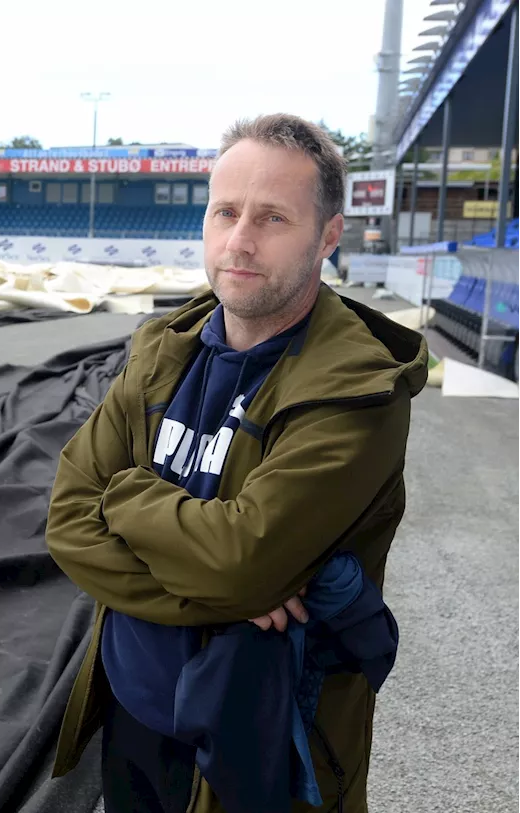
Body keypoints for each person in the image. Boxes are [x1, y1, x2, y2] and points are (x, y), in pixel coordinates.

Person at [45, 113, 428, 813]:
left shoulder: (357, 388)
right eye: (226, 212)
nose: (240, 241)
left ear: (328, 235)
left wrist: (127, 498)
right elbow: (68, 521)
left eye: (274, 217)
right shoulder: (165, 348)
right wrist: (233, 595)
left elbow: (240, 560)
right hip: (133, 719)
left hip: (261, 745)